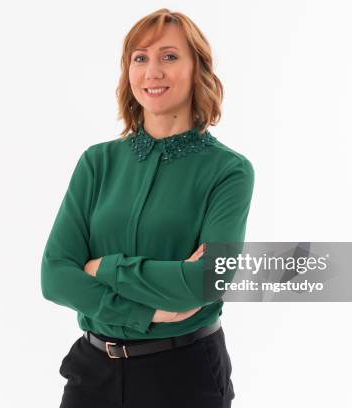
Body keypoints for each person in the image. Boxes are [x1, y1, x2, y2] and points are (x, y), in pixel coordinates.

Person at [41, 8, 255, 408]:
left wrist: (104, 267)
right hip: (92, 374)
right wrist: (150, 311)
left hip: (183, 375)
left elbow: (209, 281)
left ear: (198, 69)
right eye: (140, 58)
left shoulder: (229, 171)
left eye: (169, 57)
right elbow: (54, 276)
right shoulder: (97, 162)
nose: (152, 71)